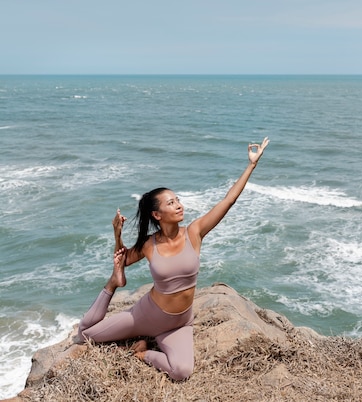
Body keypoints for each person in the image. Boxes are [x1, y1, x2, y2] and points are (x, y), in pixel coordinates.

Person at [77, 137, 269, 381]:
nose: (179, 205)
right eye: (171, 203)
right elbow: (122, 259)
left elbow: (228, 201)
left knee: (182, 372)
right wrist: (117, 235)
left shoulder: (194, 232)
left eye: (178, 200)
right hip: (145, 316)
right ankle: (113, 285)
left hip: (179, 323)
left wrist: (251, 165)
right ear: (157, 214)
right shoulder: (149, 244)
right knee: (84, 334)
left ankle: (141, 352)